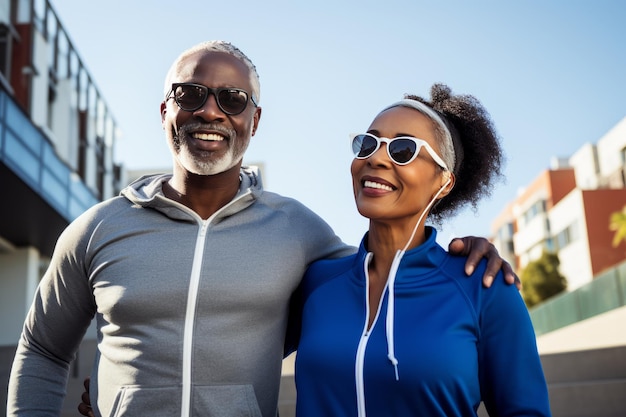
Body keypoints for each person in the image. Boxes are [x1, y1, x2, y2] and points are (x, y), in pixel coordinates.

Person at [7, 41, 516, 417]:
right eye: (191, 94)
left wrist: (466, 250)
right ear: (166, 109)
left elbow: (387, 266)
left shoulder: (299, 231)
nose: (210, 110)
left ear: (254, 120)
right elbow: (44, 350)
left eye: (232, 99)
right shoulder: (97, 228)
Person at [292, 84, 551, 416]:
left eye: (403, 150)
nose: (376, 158)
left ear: (443, 182)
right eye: (368, 144)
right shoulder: (317, 281)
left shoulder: (484, 289)